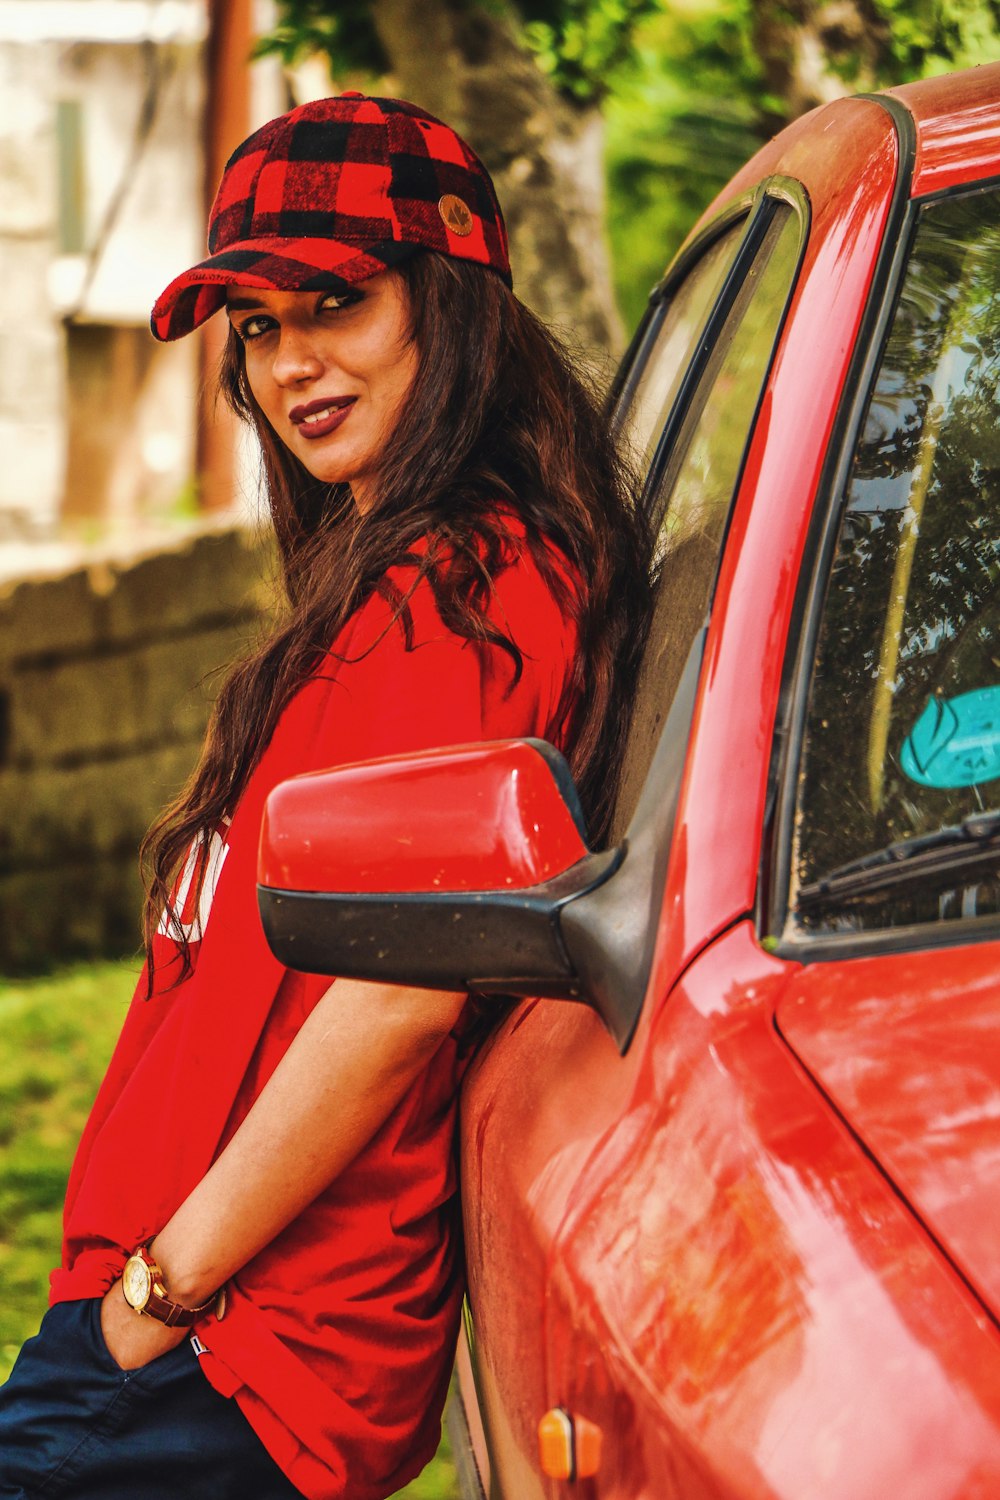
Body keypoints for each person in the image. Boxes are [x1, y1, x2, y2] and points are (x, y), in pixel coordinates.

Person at [0, 94, 651, 1499]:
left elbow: (400, 990)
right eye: (259, 329)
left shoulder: (462, 594)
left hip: (232, 1338)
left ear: (453, 301)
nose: (293, 363)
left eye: (337, 303)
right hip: (184, 1320)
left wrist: (161, 1295)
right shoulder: (390, 581)